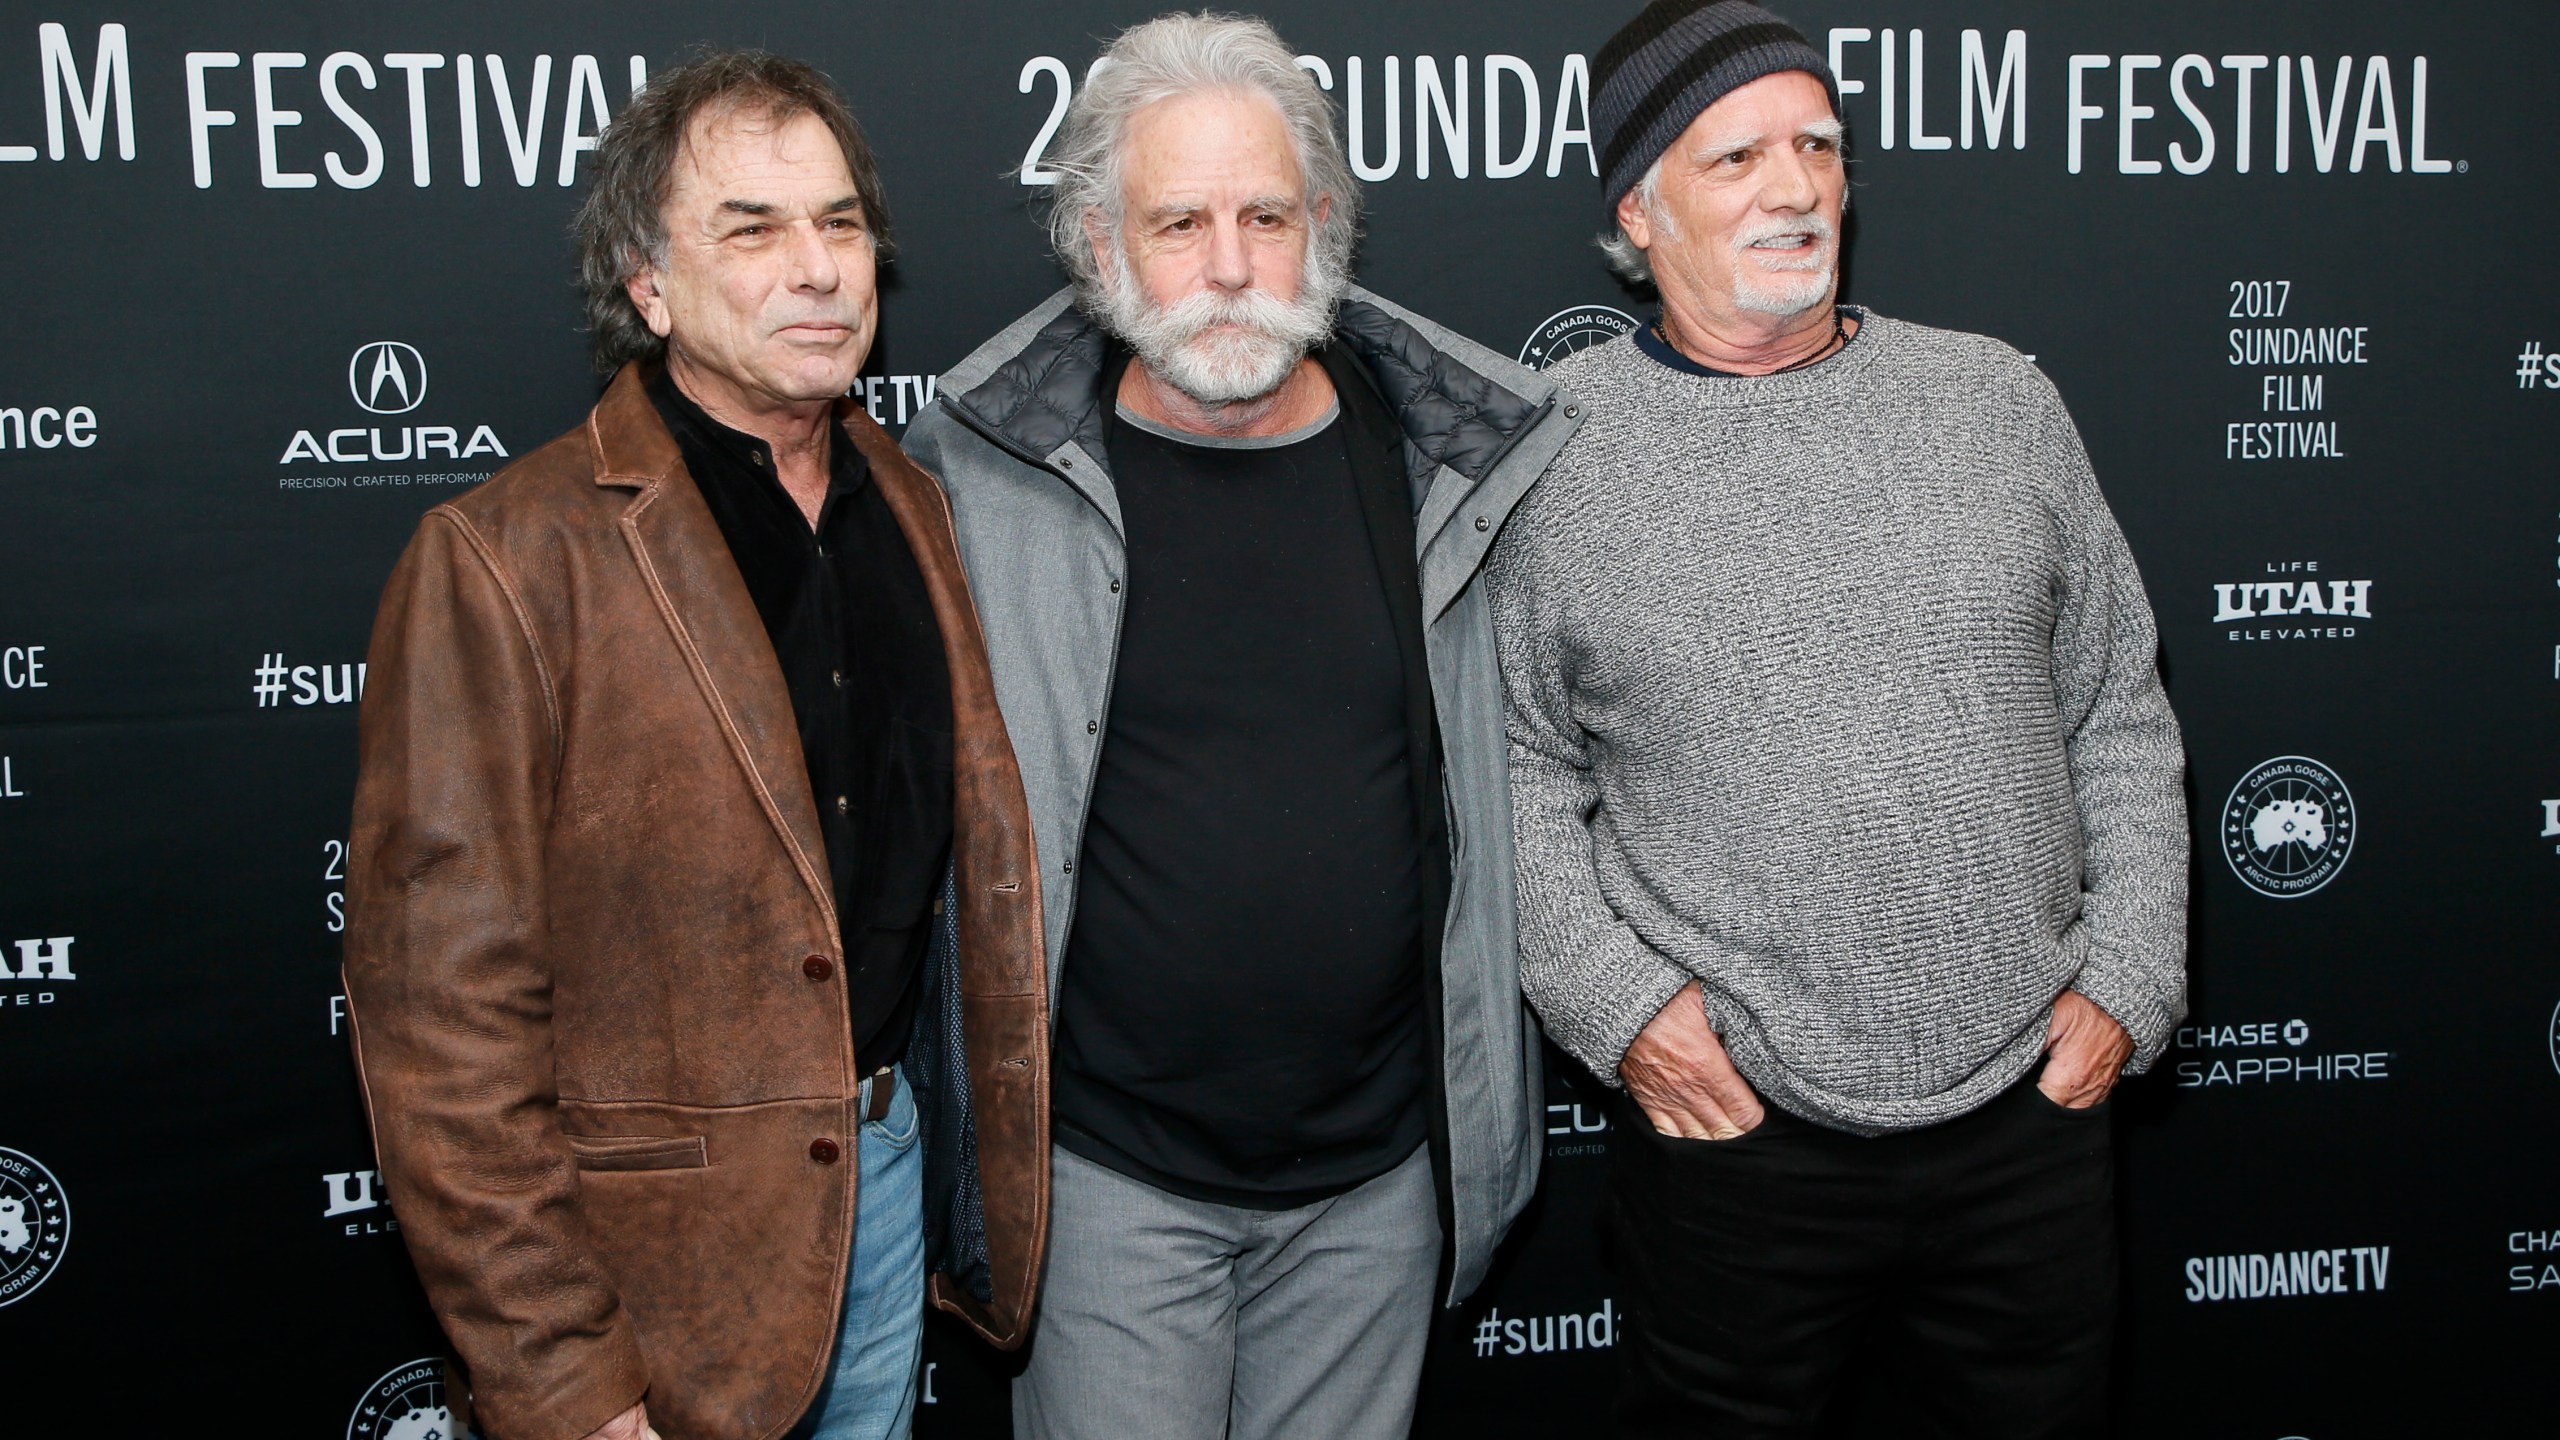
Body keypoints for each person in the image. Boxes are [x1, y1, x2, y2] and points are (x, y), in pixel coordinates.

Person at [1488, 3, 2191, 1435]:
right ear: (1639, 207)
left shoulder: (1996, 399)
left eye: (1818, 146)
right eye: (1734, 155)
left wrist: (2131, 976)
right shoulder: (1549, 448)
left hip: (2031, 1121)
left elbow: (2116, 707)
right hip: (1734, 1141)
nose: (1795, 188)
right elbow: (1509, 767)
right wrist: (1627, 1018)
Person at [342, 51, 1048, 1440]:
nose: (820, 268)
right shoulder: (503, 559)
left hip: (886, 1185)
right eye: (754, 228)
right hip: (653, 1267)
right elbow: (442, 1033)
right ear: (647, 286)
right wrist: (561, 1375)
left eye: (841, 225)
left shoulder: (914, 498)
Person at [901, 14, 1582, 1439]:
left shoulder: (1451, 460)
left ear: (1325, 227)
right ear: (1099, 246)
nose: (1227, 265)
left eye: (1267, 215)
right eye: (1179, 220)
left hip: (1379, 1187)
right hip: (1106, 1191)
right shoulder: (977, 472)